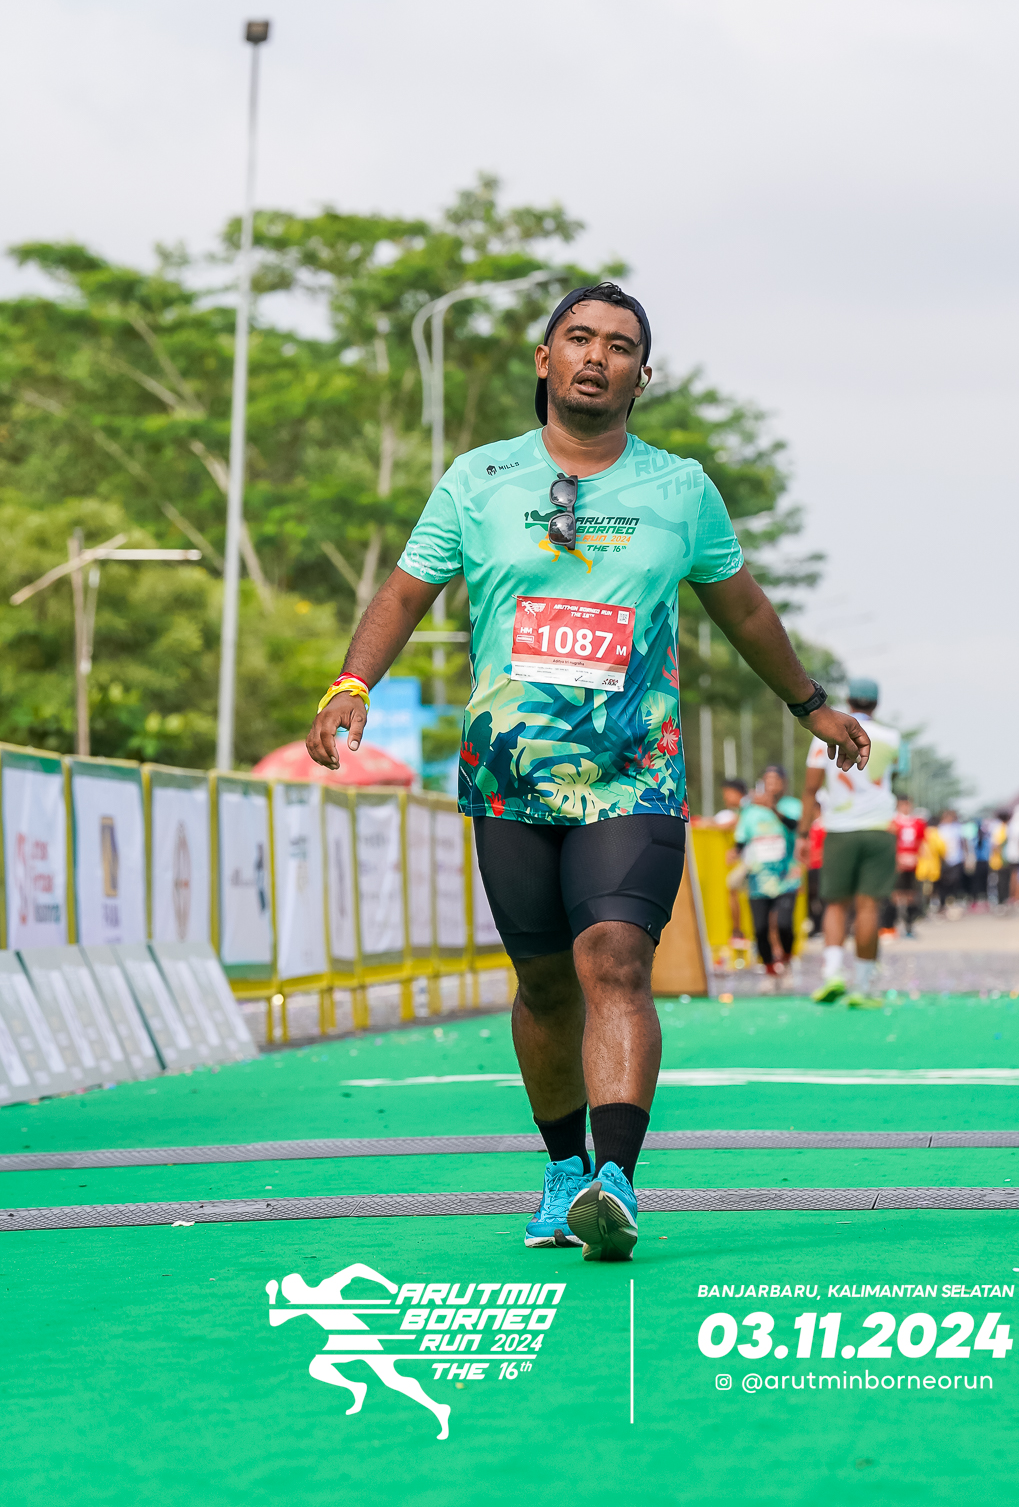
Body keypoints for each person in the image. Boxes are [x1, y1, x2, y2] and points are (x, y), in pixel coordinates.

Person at [304, 280, 868, 1265]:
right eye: (578, 338)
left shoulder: (680, 489)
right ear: (545, 359)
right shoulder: (477, 480)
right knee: (543, 982)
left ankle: (616, 1179)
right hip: (509, 775)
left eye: (618, 345)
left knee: (613, 957)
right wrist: (351, 682)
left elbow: (742, 607)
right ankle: (564, 1169)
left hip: (633, 773)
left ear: (641, 377)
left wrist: (807, 703)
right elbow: (403, 593)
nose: (596, 356)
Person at [798, 680, 900, 1006]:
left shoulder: (824, 733)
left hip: (839, 828)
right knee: (868, 906)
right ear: (876, 704)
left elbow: (810, 789)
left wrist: (802, 834)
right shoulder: (893, 738)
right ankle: (864, 986)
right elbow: (892, 777)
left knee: (835, 904)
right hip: (879, 828)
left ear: (848, 700)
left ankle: (833, 975)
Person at [731, 764, 801, 988]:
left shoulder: (792, 806)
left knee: (784, 924)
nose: (771, 785)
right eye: (767, 780)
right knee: (760, 928)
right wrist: (735, 851)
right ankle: (770, 971)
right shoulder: (751, 812)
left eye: (776, 780)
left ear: (784, 784)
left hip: (786, 877)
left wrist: (773, 809)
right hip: (758, 880)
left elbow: (795, 826)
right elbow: (741, 839)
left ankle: (787, 963)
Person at [891, 794, 929, 937]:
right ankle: (891, 925)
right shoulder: (893, 822)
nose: (906, 807)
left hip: (912, 864)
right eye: (903, 804)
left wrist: (920, 859)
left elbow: (922, 843)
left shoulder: (918, 823)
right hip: (897, 864)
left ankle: (909, 926)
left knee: (911, 895)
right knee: (895, 894)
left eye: (908, 804)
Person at [936, 808, 968, 908]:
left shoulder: (957, 828)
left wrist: (966, 856)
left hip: (956, 859)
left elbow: (963, 842)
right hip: (943, 859)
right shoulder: (940, 828)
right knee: (943, 883)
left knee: (955, 881)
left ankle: (953, 900)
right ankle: (943, 903)